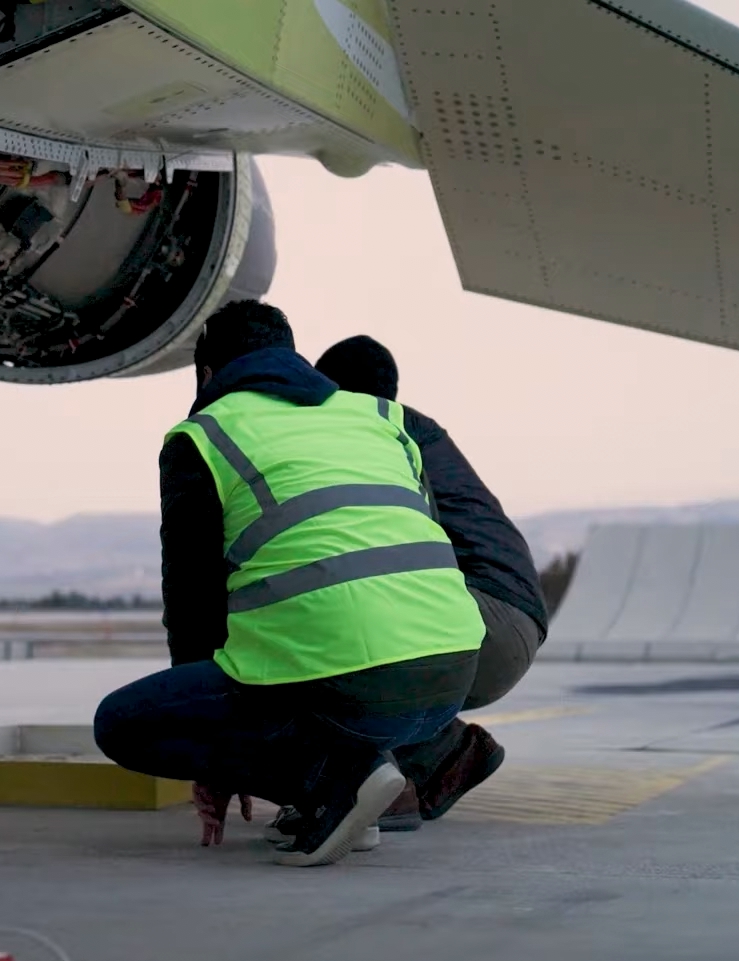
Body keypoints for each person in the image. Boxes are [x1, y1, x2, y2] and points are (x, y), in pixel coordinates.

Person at [93, 301, 488, 867]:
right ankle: (346, 802)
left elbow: (193, 599)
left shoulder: (204, 435)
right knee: (312, 669)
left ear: (207, 373)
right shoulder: (380, 416)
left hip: (352, 685)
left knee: (123, 724)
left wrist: (214, 761)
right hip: (451, 676)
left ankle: (332, 787)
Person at [302, 333, 546, 833]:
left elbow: (400, 559)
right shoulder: (407, 426)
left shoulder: (374, 436)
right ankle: (437, 753)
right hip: (508, 616)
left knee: (315, 623)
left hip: (483, 619)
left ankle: (409, 774)